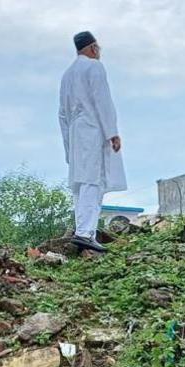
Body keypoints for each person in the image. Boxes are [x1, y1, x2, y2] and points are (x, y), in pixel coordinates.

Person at [59, 31, 126, 253]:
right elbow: (102, 100)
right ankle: (85, 233)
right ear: (93, 48)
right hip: (92, 129)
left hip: (75, 133)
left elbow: (61, 114)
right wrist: (112, 132)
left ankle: (83, 230)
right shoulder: (94, 67)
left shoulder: (67, 75)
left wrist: (68, 146)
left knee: (80, 183)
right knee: (92, 181)